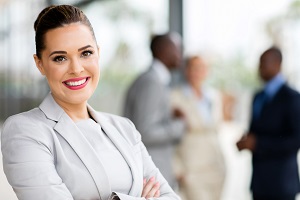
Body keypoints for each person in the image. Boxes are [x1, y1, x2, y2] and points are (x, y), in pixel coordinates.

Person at [1, 5, 181, 200]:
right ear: (40, 64)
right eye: (60, 58)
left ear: (98, 53)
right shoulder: (25, 130)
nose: (76, 69)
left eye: (85, 53)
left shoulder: (124, 129)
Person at [123, 33, 186, 189]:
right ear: (162, 50)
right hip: (152, 174)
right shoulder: (151, 82)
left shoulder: (155, 80)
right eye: (178, 48)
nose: (181, 54)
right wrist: (179, 125)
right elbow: (146, 132)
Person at [236, 47, 300, 200]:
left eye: (264, 63)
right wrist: (246, 141)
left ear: (278, 64)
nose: (260, 68)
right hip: (259, 183)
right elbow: (256, 131)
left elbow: (296, 140)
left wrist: (258, 144)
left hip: (282, 184)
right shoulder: (258, 96)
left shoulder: (292, 97)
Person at [171, 56, 226, 200]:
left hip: (216, 167)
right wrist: (178, 169)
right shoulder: (174, 97)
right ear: (186, 70)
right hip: (192, 169)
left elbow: (217, 130)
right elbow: (170, 136)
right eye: (194, 67)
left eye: (202, 68)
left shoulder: (213, 97)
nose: (198, 72)